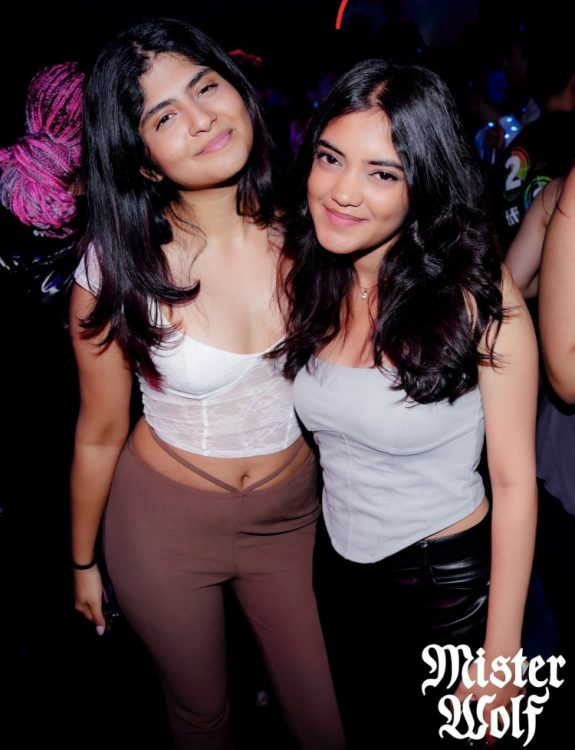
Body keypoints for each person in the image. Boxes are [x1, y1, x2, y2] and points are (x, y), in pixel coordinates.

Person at [69, 17, 344, 750]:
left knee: (323, 718)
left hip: (291, 518)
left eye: (205, 87)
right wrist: (83, 561)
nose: (200, 119)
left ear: (238, 89)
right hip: (164, 529)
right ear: (142, 161)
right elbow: (99, 431)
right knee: (201, 718)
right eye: (164, 116)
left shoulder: (318, 227)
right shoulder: (114, 270)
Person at [275, 59, 539, 748]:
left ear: (424, 182)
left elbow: (514, 482)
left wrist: (501, 656)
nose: (342, 192)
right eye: (330, 158)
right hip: (336, 568)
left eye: (382, 173)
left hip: (442, 585)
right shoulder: (311, 274)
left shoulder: (480, 300)